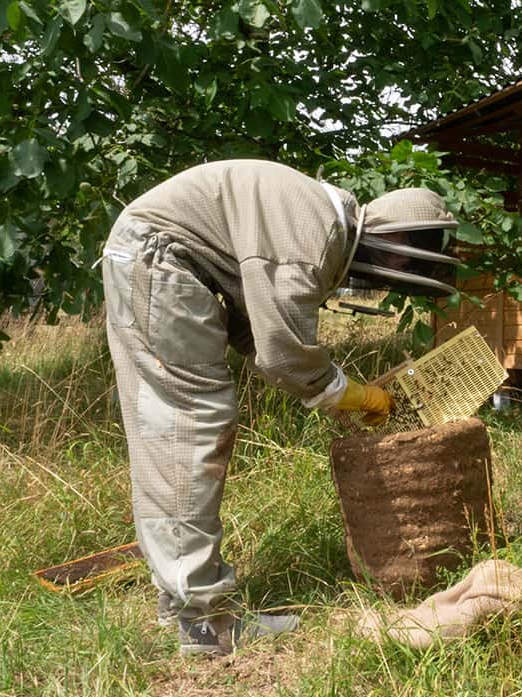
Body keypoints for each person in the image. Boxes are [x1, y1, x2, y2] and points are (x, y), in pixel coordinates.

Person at [100, 159, 461, 655]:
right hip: (162, 259)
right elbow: (283, 349)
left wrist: (322, 389)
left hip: (164, 259)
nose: (401, 274)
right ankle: (204, 624)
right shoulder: (314, 236)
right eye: (407, 262)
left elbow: (254, 321)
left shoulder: (315, 222)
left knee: (176, 431)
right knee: (188, 428)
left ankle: (183, 601)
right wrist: (352, 393)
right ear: (392, 239)